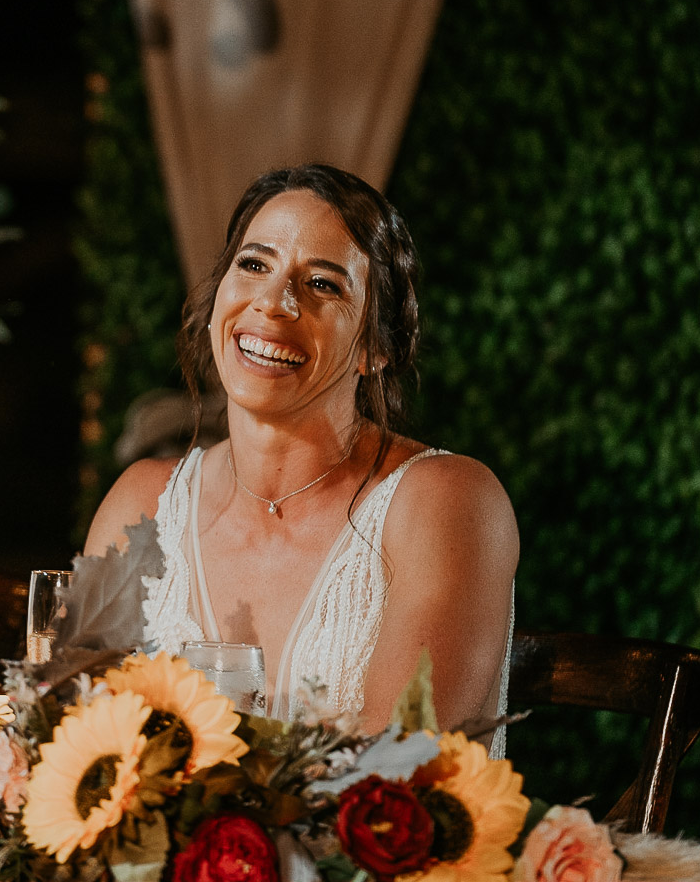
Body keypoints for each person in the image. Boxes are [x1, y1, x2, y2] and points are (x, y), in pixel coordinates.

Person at [85, 164, 517, 743]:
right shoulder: (143, 502)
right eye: (254, 265)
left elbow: (400, 772)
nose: (274, 301)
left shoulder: (446, 501)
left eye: (322, 284)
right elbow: (74, 734)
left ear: (376, 347)